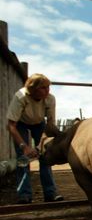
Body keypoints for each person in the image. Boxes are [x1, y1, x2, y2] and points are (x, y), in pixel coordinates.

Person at [6, 73, 63, 204]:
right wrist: (24, 147)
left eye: (48, 87)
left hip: (39, 123)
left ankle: (50, 193)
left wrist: (40, 146)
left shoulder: (50, 99)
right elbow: (11, 126)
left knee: (45, 156)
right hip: (20, 123)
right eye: (43, 88)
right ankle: (24, 195)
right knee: (22, 159)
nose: (47, 91)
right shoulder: (20, 97)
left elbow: (49, 125)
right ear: (32, 89)